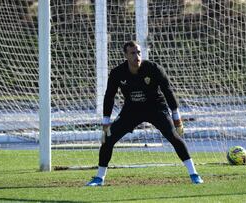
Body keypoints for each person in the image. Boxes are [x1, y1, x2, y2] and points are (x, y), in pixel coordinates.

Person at [86, 41, 203, 186]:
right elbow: (109, 96)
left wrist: (177, 118)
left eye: (139, 52)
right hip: (132, 110)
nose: (137, 56)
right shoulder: (118, 73)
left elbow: (168, 91)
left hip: (156, 108)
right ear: (126, 56)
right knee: (108, 139)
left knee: (173, 136)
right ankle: (99, 178)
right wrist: (105, 123)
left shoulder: (154, 69)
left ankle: (194, 174)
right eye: (133, 53)